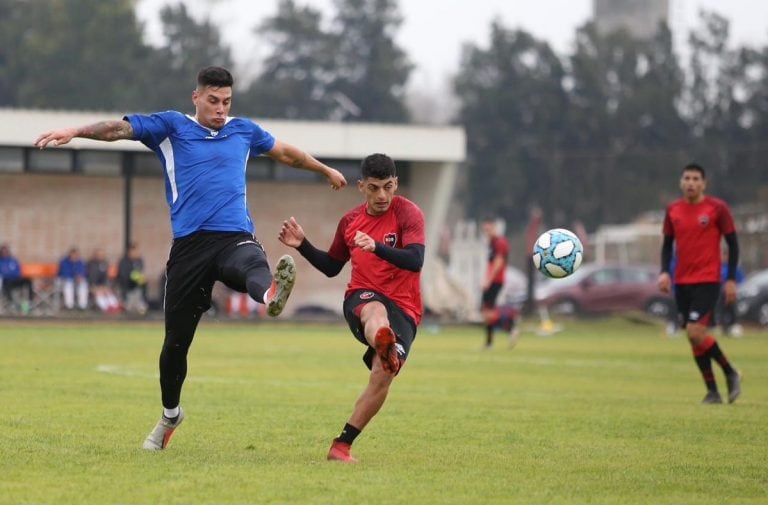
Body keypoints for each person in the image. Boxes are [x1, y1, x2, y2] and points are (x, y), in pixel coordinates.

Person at [35, 66, 347, 450]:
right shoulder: (171, 127)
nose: (220, 109)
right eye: (213, 101)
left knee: (250, 264)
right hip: (188, 247)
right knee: (175, 346)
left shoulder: (243, 130)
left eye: (227, 102)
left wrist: (324, 168)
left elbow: (286, 153)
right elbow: (118, 129)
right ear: (196, 97)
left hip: (234, 234)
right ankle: (170, 416)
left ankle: (270, 295)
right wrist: (75, 132)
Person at [278, 153, 424, 464]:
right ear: (361, 187)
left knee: (383, 374)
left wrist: (378, 247)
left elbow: (415, 259)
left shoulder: (409, 214)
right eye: (374, 188)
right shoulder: (350, 222)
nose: (382, 195)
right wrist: (303, 244)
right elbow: (332, 267)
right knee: (375, 313)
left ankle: (341, 446)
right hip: (362, 297)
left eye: (387, 187)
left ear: (395, 183)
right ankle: (383, 340)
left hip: (406, 307)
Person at [657, 163, 742, 404]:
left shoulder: (717, 208)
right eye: (687, 178)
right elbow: (667, 245)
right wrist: (664, 272)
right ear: (681, 182)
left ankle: (730, 372)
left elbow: (733, 245)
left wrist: (731, 279)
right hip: (682, 281)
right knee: (693, 336)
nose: (691, 183)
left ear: (704, 183)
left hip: (708, 279)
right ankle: (712, 392)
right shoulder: (673, 210)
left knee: (696, 331)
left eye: (696, 179)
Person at [479, 216, 512, 348]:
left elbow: (498, 262)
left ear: (494, 228)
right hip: (492, 280)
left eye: (489, 229)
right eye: (485, 230)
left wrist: (488, 280)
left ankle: (511, 327)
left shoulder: (500, 242)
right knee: (486, 311)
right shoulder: (492, 243)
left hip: (495, 281)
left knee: (488, 312)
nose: (487, 232)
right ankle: (489, 342)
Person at [715, 249, 745, 337]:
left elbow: (742, 281)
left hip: (732, 294)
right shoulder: (718, 268)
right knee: (720, 310)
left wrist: (734, 288)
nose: (724, 258)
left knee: (732, 309)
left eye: (726, 256)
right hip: (720, 294)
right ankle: (723, 327)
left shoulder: (734, 268)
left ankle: (734, 325)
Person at [0, 243, 34, 313]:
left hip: (15, 279)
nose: (5, 253)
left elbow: (18, 271)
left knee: (28, 280)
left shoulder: (13, 260)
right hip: (6, 281)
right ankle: (11, 303)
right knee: (6, 283)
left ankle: (29, 302)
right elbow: (3, 273)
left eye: (6, 251)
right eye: (3, 251)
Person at [86, 248, 121, 314]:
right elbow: (90, 278)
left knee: (109, 292)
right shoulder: (90, 264)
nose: (101, 256)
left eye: (102, 255)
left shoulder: (105, 263)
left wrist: (105, 286)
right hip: (93, 286)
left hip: (103, 286)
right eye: (99, 254)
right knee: (99, 294)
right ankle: (106, 308)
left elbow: (107, 278)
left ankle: (115, 306)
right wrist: (95, 287)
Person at [117, 242, 148, 315]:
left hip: (137, 289)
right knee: (128, 308)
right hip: (127, 289)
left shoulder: (140, 260)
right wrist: (134, 277)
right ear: (130, 251)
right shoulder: (124, 261)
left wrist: (141, 278)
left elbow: (141, 272)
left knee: (141, 309)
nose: (137, 253)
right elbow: (124, 276)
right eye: (135, 251)